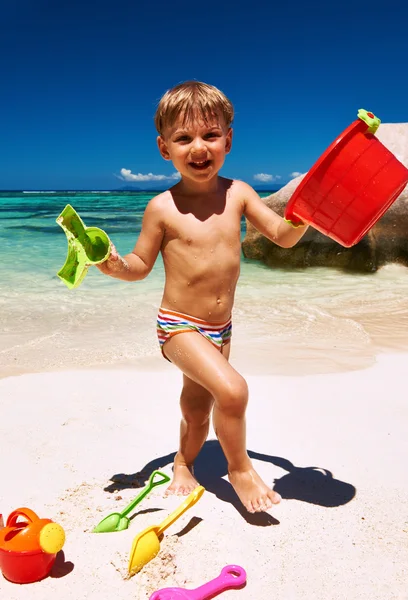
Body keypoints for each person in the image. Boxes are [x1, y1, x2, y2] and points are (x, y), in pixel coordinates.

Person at [97, 81, 308, 513]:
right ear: (164, 148)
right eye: (183, 138)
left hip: (221, 327)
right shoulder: (161, 208)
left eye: (211, 135)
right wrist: (116, 266)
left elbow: (284, 237)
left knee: (197, 410)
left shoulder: (240, 194)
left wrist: (306, 215)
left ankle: (183, 463)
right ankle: (239, 469)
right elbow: (140, 264)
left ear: (228, 140)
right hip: (177, 327)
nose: (199, 147)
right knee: (233, 391)